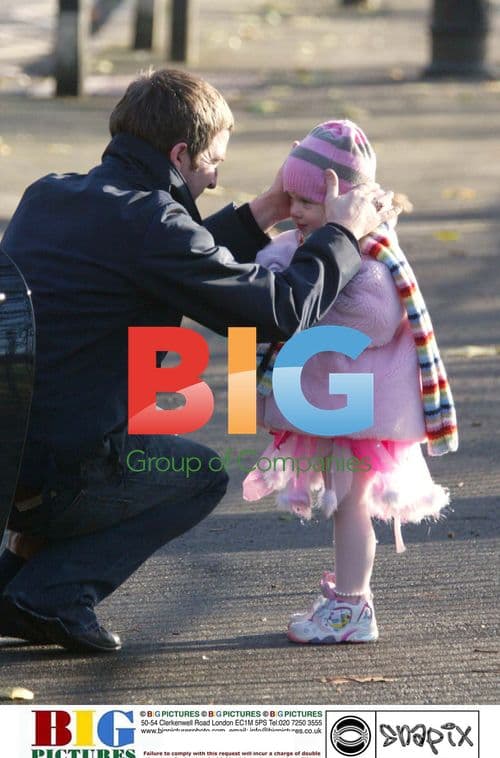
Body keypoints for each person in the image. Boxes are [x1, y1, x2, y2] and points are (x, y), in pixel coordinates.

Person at [0, 71, 396, 653]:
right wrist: (341, 232)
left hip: (11, 456)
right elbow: (280, 310)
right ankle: (51, 596)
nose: (215, 178)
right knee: (197, 476)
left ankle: (14, 583)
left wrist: (264, 210)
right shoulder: (152, 225)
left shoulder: (50, 194)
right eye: (212, 161)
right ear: (180, 154)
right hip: (56, 470)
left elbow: (167, 262)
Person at [243, 119, 458, 644]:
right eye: (293, 199)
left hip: (361, 412)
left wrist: (309, 303)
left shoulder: (369, 256)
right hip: (339, 404)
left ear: (345, 202)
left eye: (310, 202)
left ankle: (353, 605)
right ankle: (347, 593)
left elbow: (376, 318)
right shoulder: (313, 242)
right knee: (344, 501)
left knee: (349, 504)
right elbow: (277, 264)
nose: (296, 211)